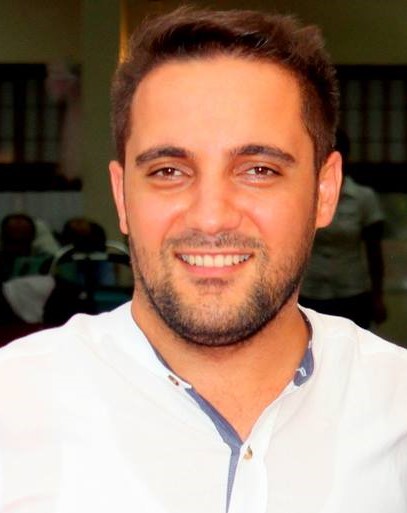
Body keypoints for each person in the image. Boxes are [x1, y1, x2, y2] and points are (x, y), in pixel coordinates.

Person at [0, 7, 406, 513]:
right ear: (122, 196)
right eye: (169, 171)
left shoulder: (395, 404)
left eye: (258, 169)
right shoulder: (15, 404)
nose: (211, 218)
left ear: (325, 191)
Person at [300, 130, 387, 328]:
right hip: (310, 291)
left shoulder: (364, 198)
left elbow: (374, 252)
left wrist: (378, 296)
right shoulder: (304, 196)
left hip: (351, 290)